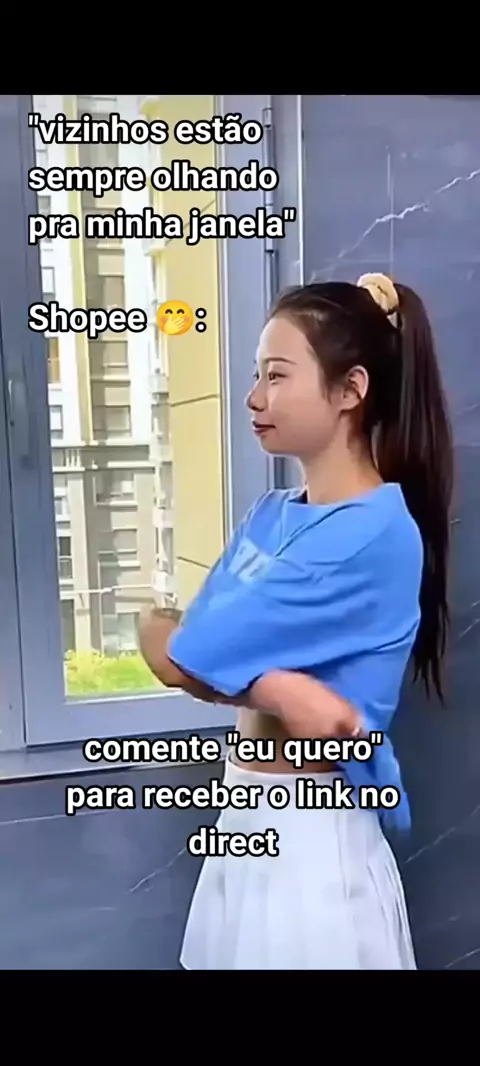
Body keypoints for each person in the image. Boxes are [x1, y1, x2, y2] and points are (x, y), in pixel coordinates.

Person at [138, 273, 453, 970]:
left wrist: (200, 654)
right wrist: (278, 688)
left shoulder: (374, 534)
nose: (255, 398)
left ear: (350, 390)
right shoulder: (271, 515)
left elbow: (186, 656)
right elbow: (189, 650)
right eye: (257, 375)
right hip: (245, 818)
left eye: (277, 376)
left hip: (311, 845)